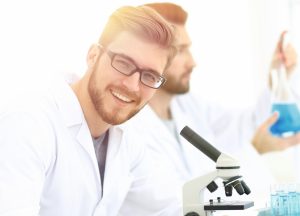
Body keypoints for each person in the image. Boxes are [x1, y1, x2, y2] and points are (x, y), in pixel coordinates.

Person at [120, 2, 300, 214]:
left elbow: (245, 126)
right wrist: (256, 149)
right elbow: (178, 204)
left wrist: (277, 77)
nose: (193, 62)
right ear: (148, 55)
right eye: (181, 51)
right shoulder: (129, 131)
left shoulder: (187, 105)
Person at [0, 5, 177, 216]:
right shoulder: (27, 122)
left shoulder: (127, 138)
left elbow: (170, 206)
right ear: (93, 55)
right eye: (123, 63)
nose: (132, 85)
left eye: (149, 76)